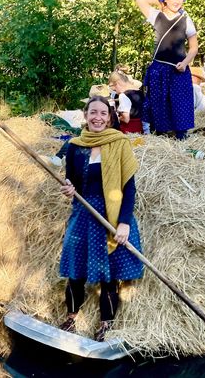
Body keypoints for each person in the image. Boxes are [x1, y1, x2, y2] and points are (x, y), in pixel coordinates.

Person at [57, 96, 144, 341]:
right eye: (93, 112)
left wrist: (124, 222)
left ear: (110, 117)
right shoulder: (75, 145)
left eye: (103, 113)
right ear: (85, 115)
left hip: (111, 217)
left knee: (109, 275)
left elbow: (129, 188)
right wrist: (69, 190)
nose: (98, 117)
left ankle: (106, 324)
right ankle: (71, 319)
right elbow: (71, 181)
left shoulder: (119, 143)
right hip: (84, 215)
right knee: (76, 271)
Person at [136, 0, 198, 140]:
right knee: (158, 104)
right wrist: (161, 0)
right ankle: (161, 137)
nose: (177, 1)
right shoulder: (156, 16)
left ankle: (181, 137)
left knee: (180, 105)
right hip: (158, 70)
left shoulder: (186, 19)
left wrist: (185, 63)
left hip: (179, 70)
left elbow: (193, 48)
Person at [108, 69, 144, 134]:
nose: (115, 92)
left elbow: (126, 119)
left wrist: (116, 118)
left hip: (129, 131)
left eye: (115, 90)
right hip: (140, 129)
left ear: (117, 84)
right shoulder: (139, 92)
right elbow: (132, 102)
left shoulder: (123, 96)